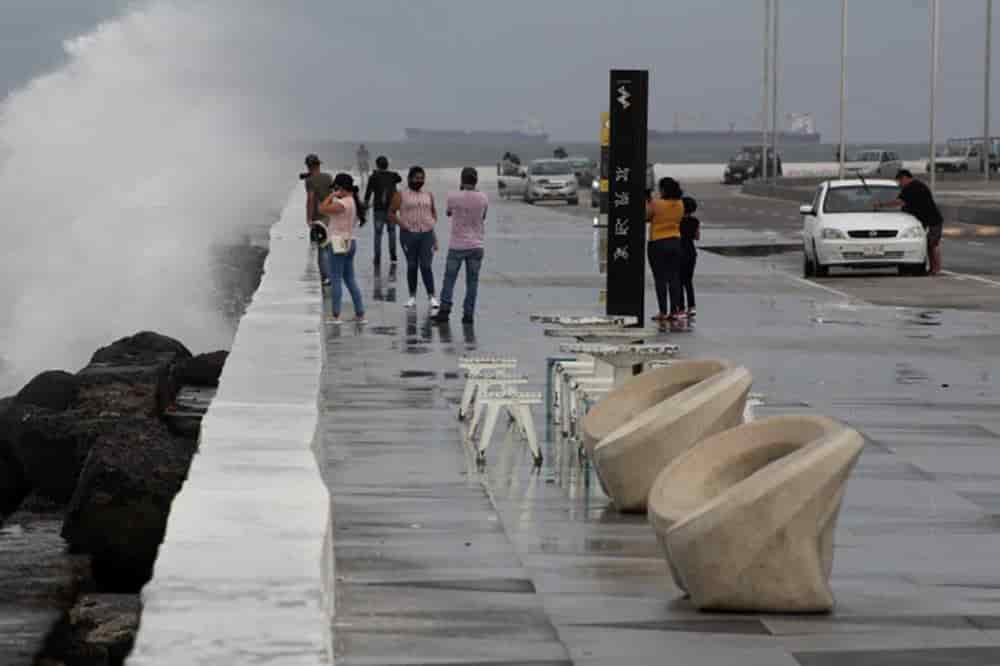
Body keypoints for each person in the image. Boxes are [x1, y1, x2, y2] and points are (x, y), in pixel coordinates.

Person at [433, 167, 488, 324]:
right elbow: (483, 216)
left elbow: (449, 213)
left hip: (457, 245)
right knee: (472, 281)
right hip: (477, 245)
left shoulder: (453, 196)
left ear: (462, 180)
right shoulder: (483, 197)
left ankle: (444, 311)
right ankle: (468, 315)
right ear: (476, 180)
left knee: (449, 279)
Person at [317, 173, 367, 324]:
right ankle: (360, 313)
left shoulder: (343, 203)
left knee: (336, 278)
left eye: (336, 187)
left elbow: (322, 209)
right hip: (350, 241)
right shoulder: (353, 202)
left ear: (340, 187)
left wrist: (332, 195)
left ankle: (336, 315)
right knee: (350, 279)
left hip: (338, 241)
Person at [389, 166, 439, 310]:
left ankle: (432, 297)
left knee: (426, 265)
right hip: (408, 235)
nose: (420, 180)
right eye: (417, 178)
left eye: (422, 178)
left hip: (426, 234)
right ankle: (412, 297)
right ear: (410, 178)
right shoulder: (401, 194)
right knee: (412, 265)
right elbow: (391, 213)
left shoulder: (428, 194)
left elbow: (433, 213)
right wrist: (402, 225)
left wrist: (432, 229)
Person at [876, 169, 944, 274]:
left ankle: (936, 268)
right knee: (928, 244)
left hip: (933, 220)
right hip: (924, 220)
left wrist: (882, 204)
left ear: (905, 178)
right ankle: (933, 268)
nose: (899, 184)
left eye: (900, 181)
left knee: (932, 244)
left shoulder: (912, 187)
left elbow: (899, 202)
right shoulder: (916, 186)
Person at [646, 177, 686, 323]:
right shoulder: (680, 204)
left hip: (657, 242)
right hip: (675, 241)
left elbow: (646, 215)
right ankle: (674, 311)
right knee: (674, 277)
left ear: (663, 189)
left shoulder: (657, 204)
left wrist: (648, 201)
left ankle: (663, 312)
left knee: (660, 279)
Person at [364, 155, 402, 267]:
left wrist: (365, 207)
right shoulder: (393, 175)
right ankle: (393, 256)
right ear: (387, 165)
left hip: (378, 210)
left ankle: (377, 257)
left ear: (377, 165)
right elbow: (399, 178)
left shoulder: (373, 177)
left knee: (378, 234)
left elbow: (368, 193)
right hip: (391, 209)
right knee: (392, 232)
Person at [302, 154, 333, 286]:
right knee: (331, 247)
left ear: (308, 166)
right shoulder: (328, 177)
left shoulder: (310, 181)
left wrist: (309, 218)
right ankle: (333, 274)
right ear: (319, 165)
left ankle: (325, 277)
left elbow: (310, 199)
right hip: (330, 215)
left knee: (322, 248)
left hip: (319, 217)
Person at [679, 195, 701, 317]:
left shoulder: (677, 220)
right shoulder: (695, 221)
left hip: (679, 251)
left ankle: (680, 307)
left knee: (678, 281)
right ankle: (692, 307)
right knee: (688, 281)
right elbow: (697, 237)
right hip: (691, 252)